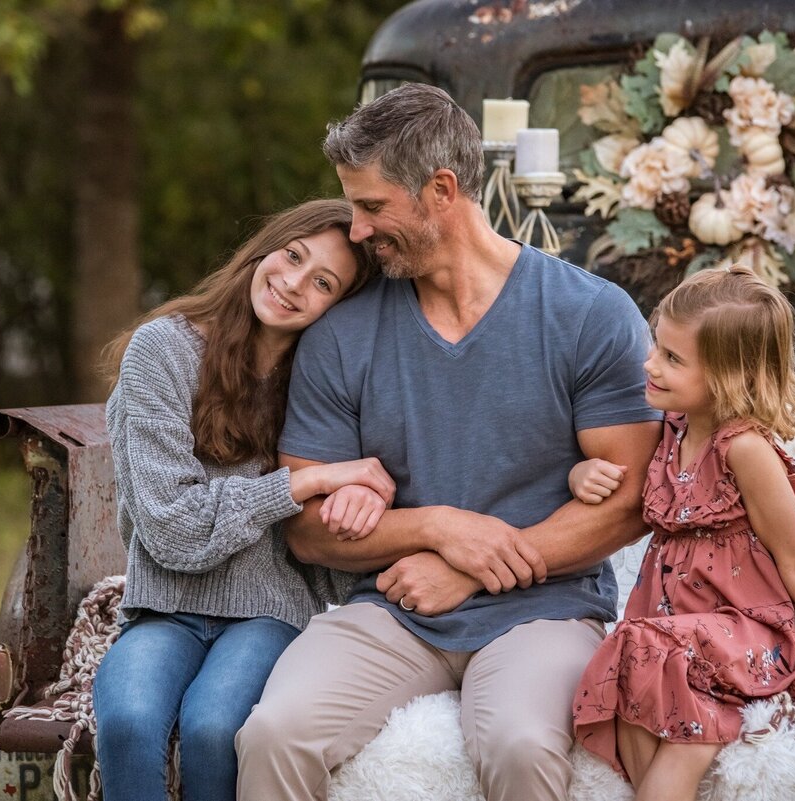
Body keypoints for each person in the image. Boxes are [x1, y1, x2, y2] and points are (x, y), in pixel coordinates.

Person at [234, 83, 663, 801]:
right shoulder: (341, 336)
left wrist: (470, 567)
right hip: (390, 610)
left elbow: (627, 503)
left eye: (372, 207)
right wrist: (441, 529)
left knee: (521, 746)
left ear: (441, 189)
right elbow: (307, 530)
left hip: (546, 610)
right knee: (274, 732)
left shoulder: (589, 314)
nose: (359, 231)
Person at [568, 265, 795, 801]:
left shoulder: (745, 451)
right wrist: (580, 473)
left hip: (747, 629)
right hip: (673, 629)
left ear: (728, 377)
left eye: (672, 359)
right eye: (657, 347)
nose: (650, 365)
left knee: (646, 654)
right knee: (631, 663)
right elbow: (620, 481)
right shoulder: (672, 427)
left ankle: (688, 751)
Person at [93, 199, 393, 801]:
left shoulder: (324, 383)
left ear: (341, 308)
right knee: (127, 720)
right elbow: (172, 530)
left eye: (323, 282)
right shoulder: (165, 351)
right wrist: (299, 484)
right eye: (292, 256)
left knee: (214, 729)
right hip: (164, 607)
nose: (292, 284)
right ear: (266, 248)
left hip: (269, 612)